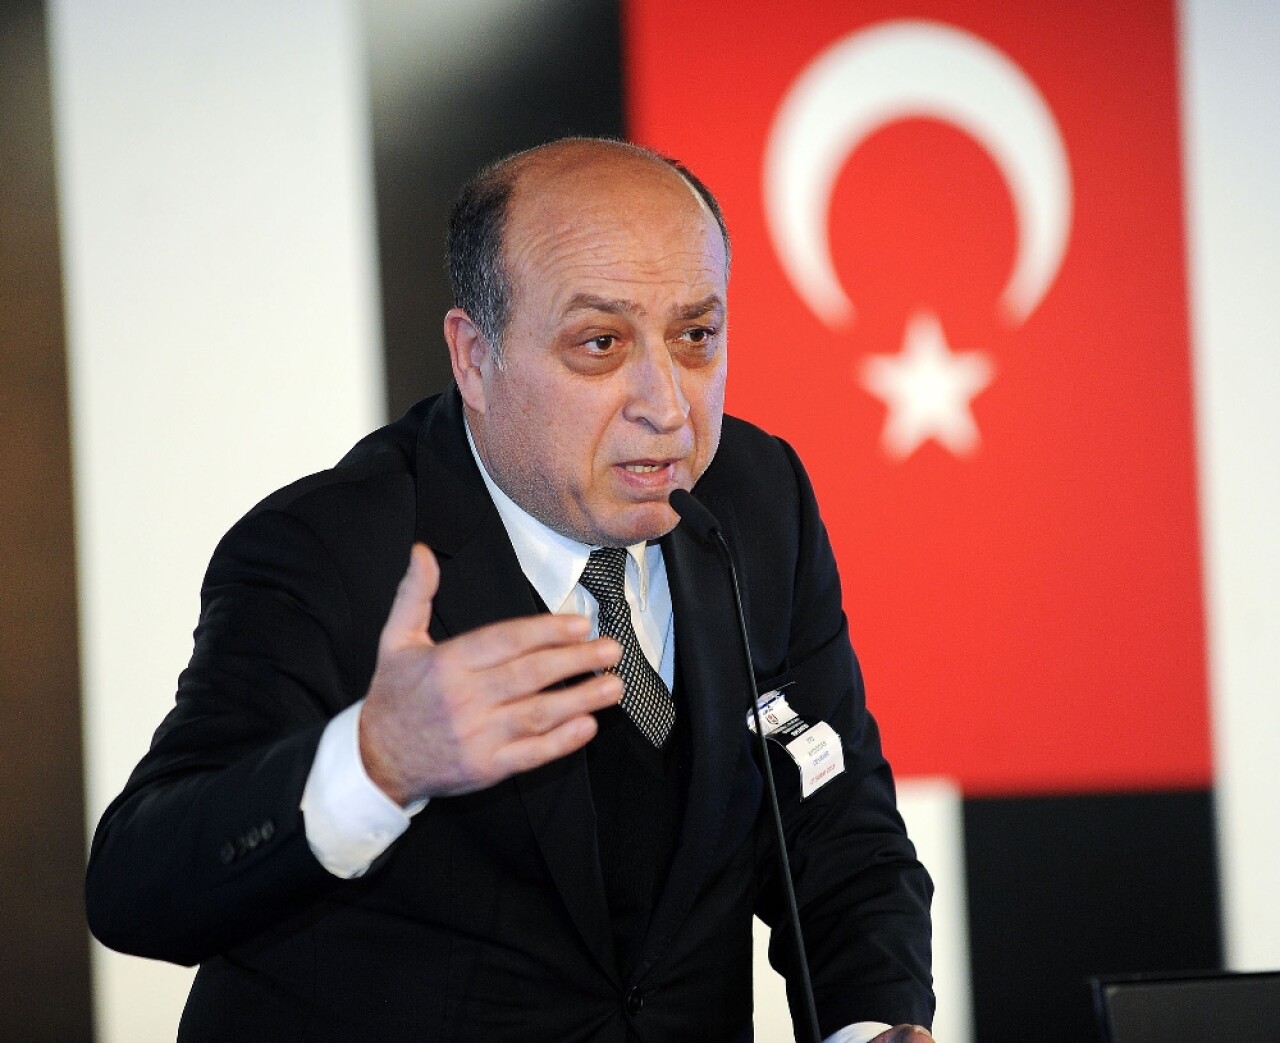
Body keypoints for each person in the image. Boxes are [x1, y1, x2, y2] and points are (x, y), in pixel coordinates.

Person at [86, 138, 935, 1042]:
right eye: (601, 344)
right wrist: (374, 762)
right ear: (473, 358)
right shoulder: (329, 551)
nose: (668, 406)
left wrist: (870, 1026)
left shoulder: (757, 500)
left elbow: (835, 828)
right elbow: (137, 887)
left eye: (695, 337)